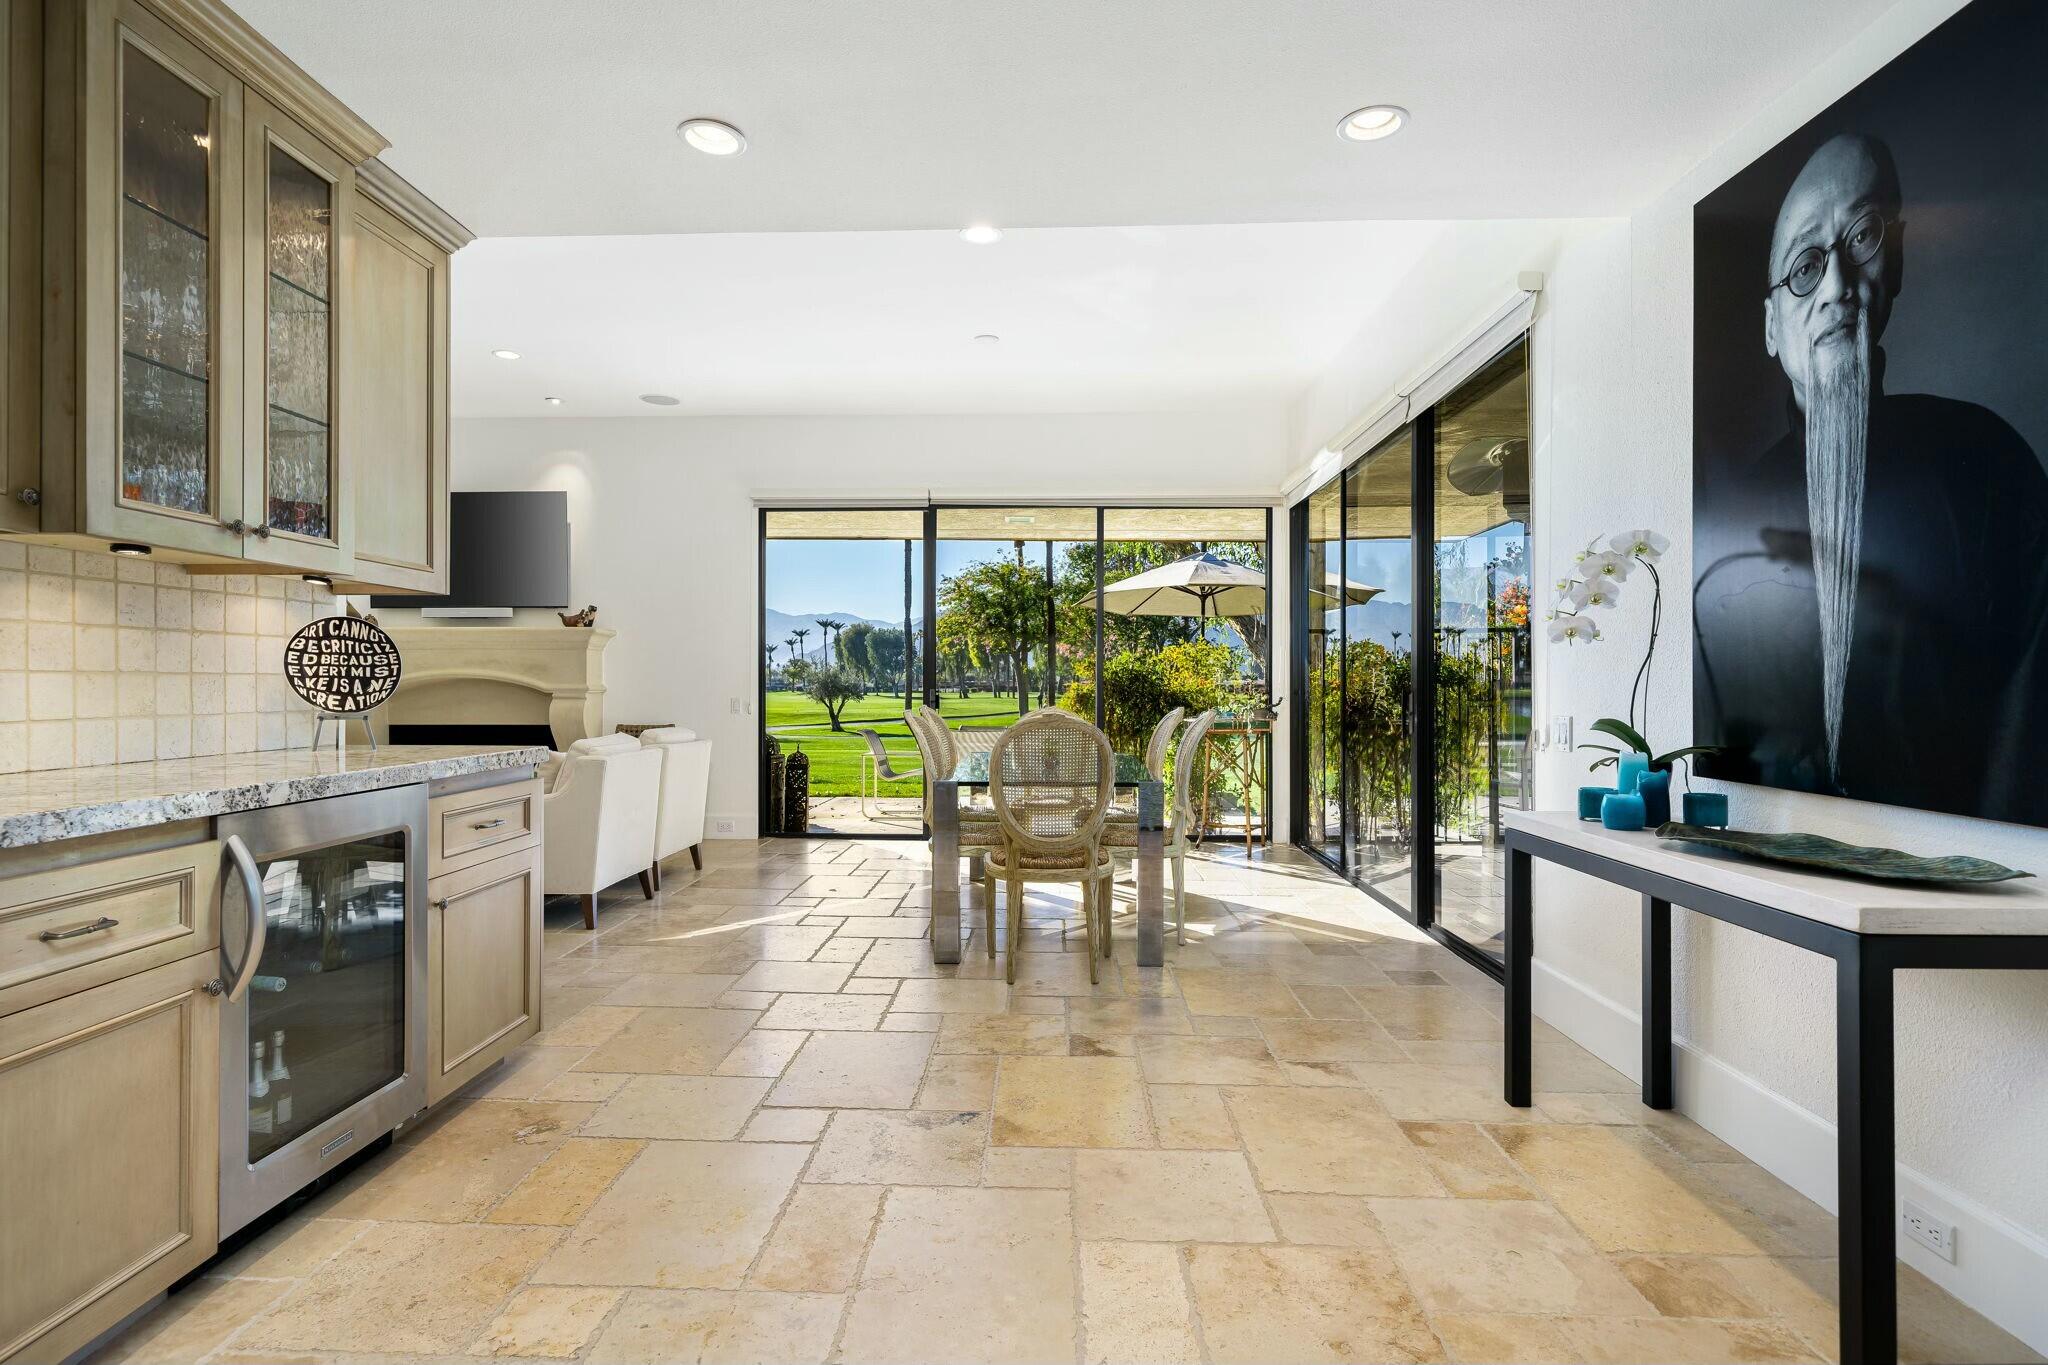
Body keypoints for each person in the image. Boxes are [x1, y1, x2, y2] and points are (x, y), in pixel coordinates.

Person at [1695, 132, 2048, 824]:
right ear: (1771, 327)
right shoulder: (1724, 527)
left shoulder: (1987, 467)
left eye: (1860, 236)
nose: (1835, 286)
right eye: (1805, 266)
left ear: (1898, 255)